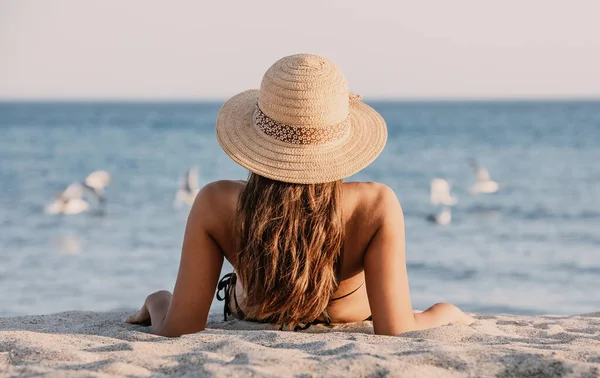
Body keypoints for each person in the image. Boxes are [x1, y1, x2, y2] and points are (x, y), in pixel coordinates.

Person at [126, 54, 474, 337]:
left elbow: (180, 328)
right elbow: (396, 328)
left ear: (256, 134)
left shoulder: (216, 202)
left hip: (254, 312)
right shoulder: (375, 205)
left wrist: (158, 300)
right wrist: (445, 312)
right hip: (346, 315)